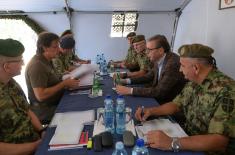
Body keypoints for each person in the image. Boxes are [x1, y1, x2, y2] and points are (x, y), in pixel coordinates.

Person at [135, 44, 235, 155]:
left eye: (182, 65)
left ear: (196, 68)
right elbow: (176, 104)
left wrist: (171, 142)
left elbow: (219, 142)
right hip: (186, 137)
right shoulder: (194, 81)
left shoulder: (227, 92)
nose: (180, 70)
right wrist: (152, 111)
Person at [0, 39, 44, 155]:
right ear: (7, 67)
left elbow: (26, 109)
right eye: (20, 60)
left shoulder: (11, 83)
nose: (23, 64)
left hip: (34, 141)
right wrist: (34, 146)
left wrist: (41, 130)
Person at [25, 32, 80, 123]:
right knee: (76, 114)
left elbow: (53, 78)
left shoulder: (47, 61)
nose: (59, 50)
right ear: (44, 48)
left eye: (58, 46)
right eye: (55, 47)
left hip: (55, 101)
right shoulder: (37, 65)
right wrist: (64, 84)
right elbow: (41, 95)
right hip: (45, 110)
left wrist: (65, 79)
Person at [116, 34, 186, 103]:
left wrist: (130, 91)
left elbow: (159, 92)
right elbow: (148, 76)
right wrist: (126, 81)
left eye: (149, 50)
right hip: (157, 95)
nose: (146, 52)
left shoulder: (172, 64)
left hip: (167, 102)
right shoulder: (158, 58)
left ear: (160, 50)